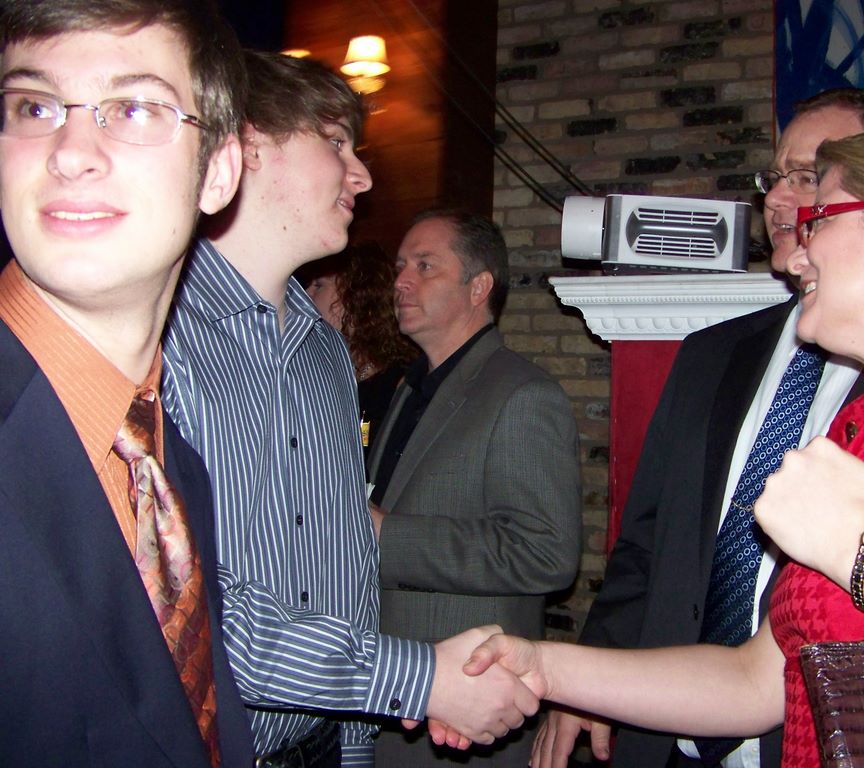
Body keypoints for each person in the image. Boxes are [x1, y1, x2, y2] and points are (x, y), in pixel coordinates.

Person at [462, 117, 864, 766]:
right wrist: (546, 666)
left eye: (820, 219)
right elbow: (754, 683)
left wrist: (856, 544)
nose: (796, 252)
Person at [162, 54, 537, 767]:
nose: (361, 176)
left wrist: (356, 744)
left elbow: (346, 566)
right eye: (336, 142)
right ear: (248, 143)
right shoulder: (162, 334)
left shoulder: (324, 350)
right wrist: (420, 680)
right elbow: (188, 610)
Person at [534, 88, 864, 768]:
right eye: (777, 177)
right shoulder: (710, 353)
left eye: (810, 177)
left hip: (818, 737)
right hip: (667, 730)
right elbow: (644, 544)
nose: (780, 199)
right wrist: (593, 674)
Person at [0, 0, 254, 765]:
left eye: (134, 107)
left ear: (218, 173)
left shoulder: (175, 468)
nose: (71, 152)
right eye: (34, 106)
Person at [366, 210, 582, 767]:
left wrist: (386, 536)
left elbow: (546, 553)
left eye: (425, 266)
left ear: (479, 286)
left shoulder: (522, 394)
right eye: (400, 267)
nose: (401, 281)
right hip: (390, 690)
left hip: (467, 711)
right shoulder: (408, 388)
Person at [304, 241, 418, 459]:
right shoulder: (317, 375)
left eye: (319, 285)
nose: (307, 294)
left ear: (356, 298)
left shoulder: (401, 382)